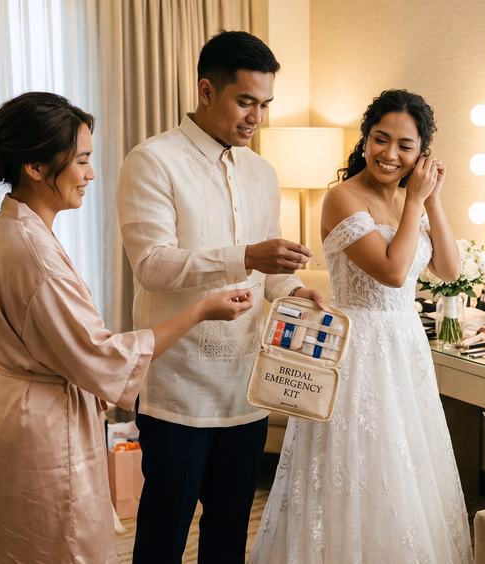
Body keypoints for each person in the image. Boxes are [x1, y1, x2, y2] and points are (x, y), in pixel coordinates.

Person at [0, 92, 253, 564]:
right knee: (63, 547)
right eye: (81, 161)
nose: (91, 174)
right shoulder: (33, 252)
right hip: (39, 427)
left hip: (12, 410)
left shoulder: (16, 226)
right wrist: (200, 310)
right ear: (36, 167)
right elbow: (101, 355)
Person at [116, 31, 323, 564]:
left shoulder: (263, 173)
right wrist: (247, 256)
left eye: (265, 104)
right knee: (164, 530)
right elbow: (152, 265)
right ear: (207, 91)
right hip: (178, 391)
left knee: (231, 530)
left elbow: (266, 276)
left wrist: (297, 292)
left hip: (246, 390)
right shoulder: (152, 160)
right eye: (245, 101)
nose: (256, 117)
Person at [249, 89, 473, 563]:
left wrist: (431, 200)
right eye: (380, 139)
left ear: (421, 153)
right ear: (365, 140)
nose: (390, 154)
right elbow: (393, 271)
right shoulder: (343, 197)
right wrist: (415, 198)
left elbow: (450, 271)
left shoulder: (412, 199)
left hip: (406, 346)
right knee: (361, 466)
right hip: (360, 347)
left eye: (405, 146)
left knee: (406, 466)